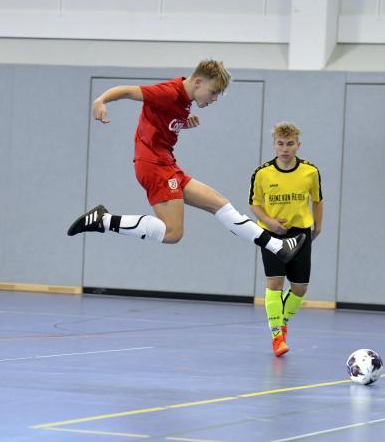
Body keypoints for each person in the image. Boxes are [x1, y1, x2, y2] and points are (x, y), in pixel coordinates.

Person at [67, 59, 306, 264]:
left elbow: (162, 121)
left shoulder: (184, 100)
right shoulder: (168, 92)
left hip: (167, 164)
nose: (214, 99)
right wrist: (101, 100)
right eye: (213, 92)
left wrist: (183, 123)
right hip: (154, 165)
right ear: (198, 82)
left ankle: (277, 247)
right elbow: (129, 91)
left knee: (219, 204)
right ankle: (103, 220)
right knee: (172, 233)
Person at [249, 122, 322, 357]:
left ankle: (281, 321)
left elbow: (317, 200)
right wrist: (269, 222)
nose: (285, 148)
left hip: (300, 234)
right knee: (275, 284)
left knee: (300, 288)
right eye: (280, 144)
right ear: (274, 145)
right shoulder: (261, 173)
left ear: (298, 145)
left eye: (290, 144)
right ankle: (277, 336)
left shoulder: (310, 172)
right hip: (271, 234)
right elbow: (255, 204)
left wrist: (317, 226)